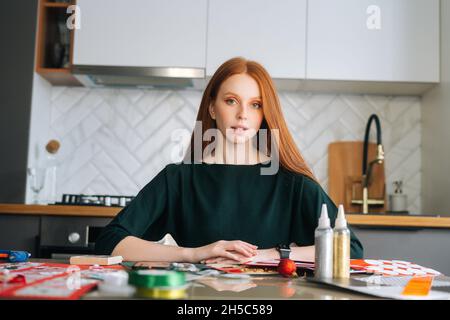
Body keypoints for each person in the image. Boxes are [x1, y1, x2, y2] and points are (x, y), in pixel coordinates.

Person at [95, 57, 364, 264]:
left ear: (264, 115)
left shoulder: (291, 183)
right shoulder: (178, 179)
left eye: (255, 104)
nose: (243, 114)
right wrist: (195, 253)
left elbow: (349, 248)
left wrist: (270, 255)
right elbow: (110, 241)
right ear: (213, 107)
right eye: (231, 101)